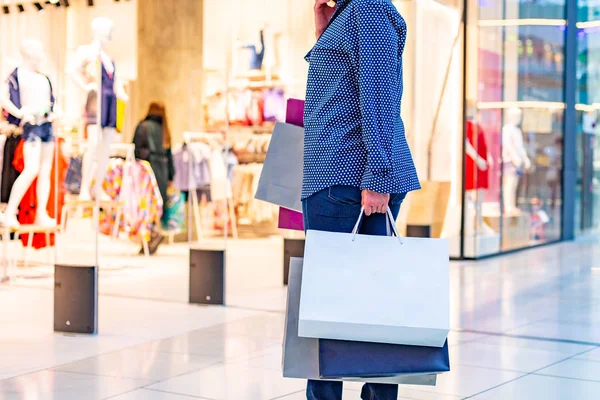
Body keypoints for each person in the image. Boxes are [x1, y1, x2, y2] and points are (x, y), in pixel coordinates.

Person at [302, 0, 421, 399]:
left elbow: (379, 96)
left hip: (349, 183)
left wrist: (378, 176)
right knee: (362, 306)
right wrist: (323, 30)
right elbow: (344, 88)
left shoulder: (368, 9)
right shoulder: (351, 13)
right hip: (341, 181)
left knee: (336, 310)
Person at [132, 101, 174, 255]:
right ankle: (153, 234)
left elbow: (135, 149)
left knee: (145, 206)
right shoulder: (165, 130)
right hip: (162, 170)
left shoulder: (143, 126)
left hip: (147, 170)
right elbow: (170, 156)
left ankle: (150, 236)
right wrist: (171, 176)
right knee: (157, 206)